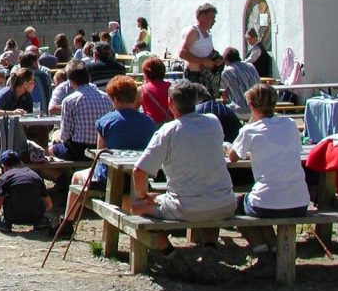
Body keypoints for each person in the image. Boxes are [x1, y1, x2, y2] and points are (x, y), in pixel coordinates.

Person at [131, 79, 237, 255]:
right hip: (225, 203)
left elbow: (139, 170)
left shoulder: (169, 130)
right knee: (208, 197)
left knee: (136, 206)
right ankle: (210, 246)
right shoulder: (213, 121)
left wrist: (143, 196)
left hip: (187, 207)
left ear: (170, 102)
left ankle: (169, 252)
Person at [56, 76, 156, 237]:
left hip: (109, 177)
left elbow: (99, 154)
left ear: (114, 98)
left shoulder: (105, 121)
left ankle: (67, 223)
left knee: (76, 177)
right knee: (127, 190)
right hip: (139, 178)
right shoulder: (149, 122)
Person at [226, 83, 310, 274]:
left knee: (237, 206)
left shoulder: (251, 130)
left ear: (252, 106)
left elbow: (233, 156)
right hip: (299, 199)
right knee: (260, 203)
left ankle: (264, 253)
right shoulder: (289, 125)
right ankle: (275, 250)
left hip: (267, 199)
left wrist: (249, 124)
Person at [50, 60, 113, 161]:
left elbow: (66, 136)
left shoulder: (70, 101)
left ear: (70, 81)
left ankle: (63, 175)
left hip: (78, 150)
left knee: (49, 149)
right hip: (102, 149)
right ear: (88, 77)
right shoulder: (107, 98)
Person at [0, 149, 53, 232]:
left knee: (3, 203)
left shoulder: (4, 178)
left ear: (4, 167)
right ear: (20, 163)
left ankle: (5, 223)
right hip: (35, 216)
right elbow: (49, 205)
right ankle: (40, 222)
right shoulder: (35, 175)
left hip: (13, 216)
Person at [179, 3, 223, 100]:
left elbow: (209, 52)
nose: (214, 21)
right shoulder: (194, 31)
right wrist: (203, 61)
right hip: (194, 77)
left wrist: (217, 59)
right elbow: (182, 53)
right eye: (212, 18)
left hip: (206, 77)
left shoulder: (206, 33)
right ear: (202, 17)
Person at [220, 46, 260, 114]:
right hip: (257, 109)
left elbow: (221, 89)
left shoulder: (227, 72)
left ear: (226, 60)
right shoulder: (251, 66)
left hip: (239, 110)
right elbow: (259, 83)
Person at [139, 56, 173, 125]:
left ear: (146, 73)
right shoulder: (173, 87)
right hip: (171, 126)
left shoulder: (142, 90)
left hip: (152, 127)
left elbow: (132, 111)